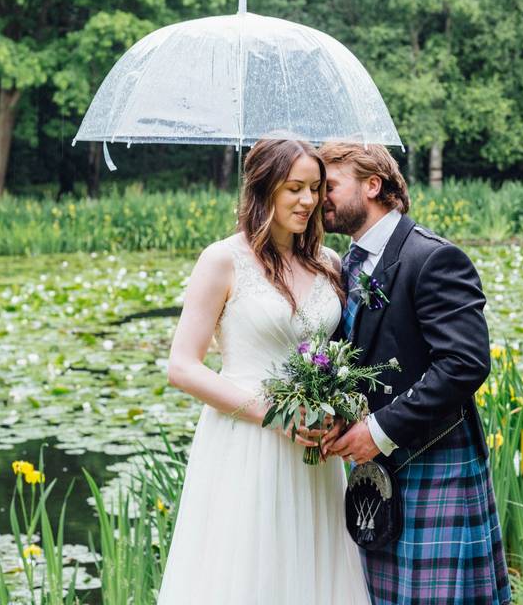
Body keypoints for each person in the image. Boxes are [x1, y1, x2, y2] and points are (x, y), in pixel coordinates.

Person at [158, 139, 369, 604]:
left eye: (315, 188)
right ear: (263, 189)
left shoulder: (329, 262)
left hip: (313, 448)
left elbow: (337, 353)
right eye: (294, 188)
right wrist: (273, 414)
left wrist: (336, 407)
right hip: (247, 441)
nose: (309, 201)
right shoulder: (222, 260)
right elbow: (182, 366)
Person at [319, 143, 511, 605]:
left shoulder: (432, 257)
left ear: (372, 185)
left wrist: (380, 431)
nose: (317, 198)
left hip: (432, 455)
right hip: (379, 466)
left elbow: (464, 364)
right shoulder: (348, 263)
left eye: (329, 186)